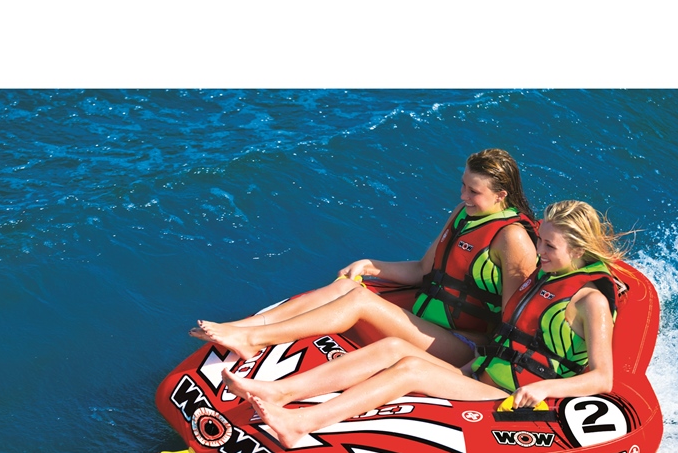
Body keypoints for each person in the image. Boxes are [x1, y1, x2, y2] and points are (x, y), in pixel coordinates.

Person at [221, 201, 630, 449]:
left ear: (578, 248)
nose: (539, 252)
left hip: (509, 396)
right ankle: (279, 392)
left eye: (549, 246)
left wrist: (544, 389)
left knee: (410, 369)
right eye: (541, 240)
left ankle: (302, 424)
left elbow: (603, 378)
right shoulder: (549, 276)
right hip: (480, 373)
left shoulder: (590, 301)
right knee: (392, 349)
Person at [190, 149, 539, 367]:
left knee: (359, 301)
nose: (462, 195)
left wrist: (480, 371)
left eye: (473, 191)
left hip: (464, 344)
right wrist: (371, 266)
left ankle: (253, 341)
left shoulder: (512, 238)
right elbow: (423, 270)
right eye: (463, 185)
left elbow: (516, 319)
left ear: (501, 195)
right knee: (347, 286)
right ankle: (244, 327)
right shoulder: (465, 214)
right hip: (430, 323)